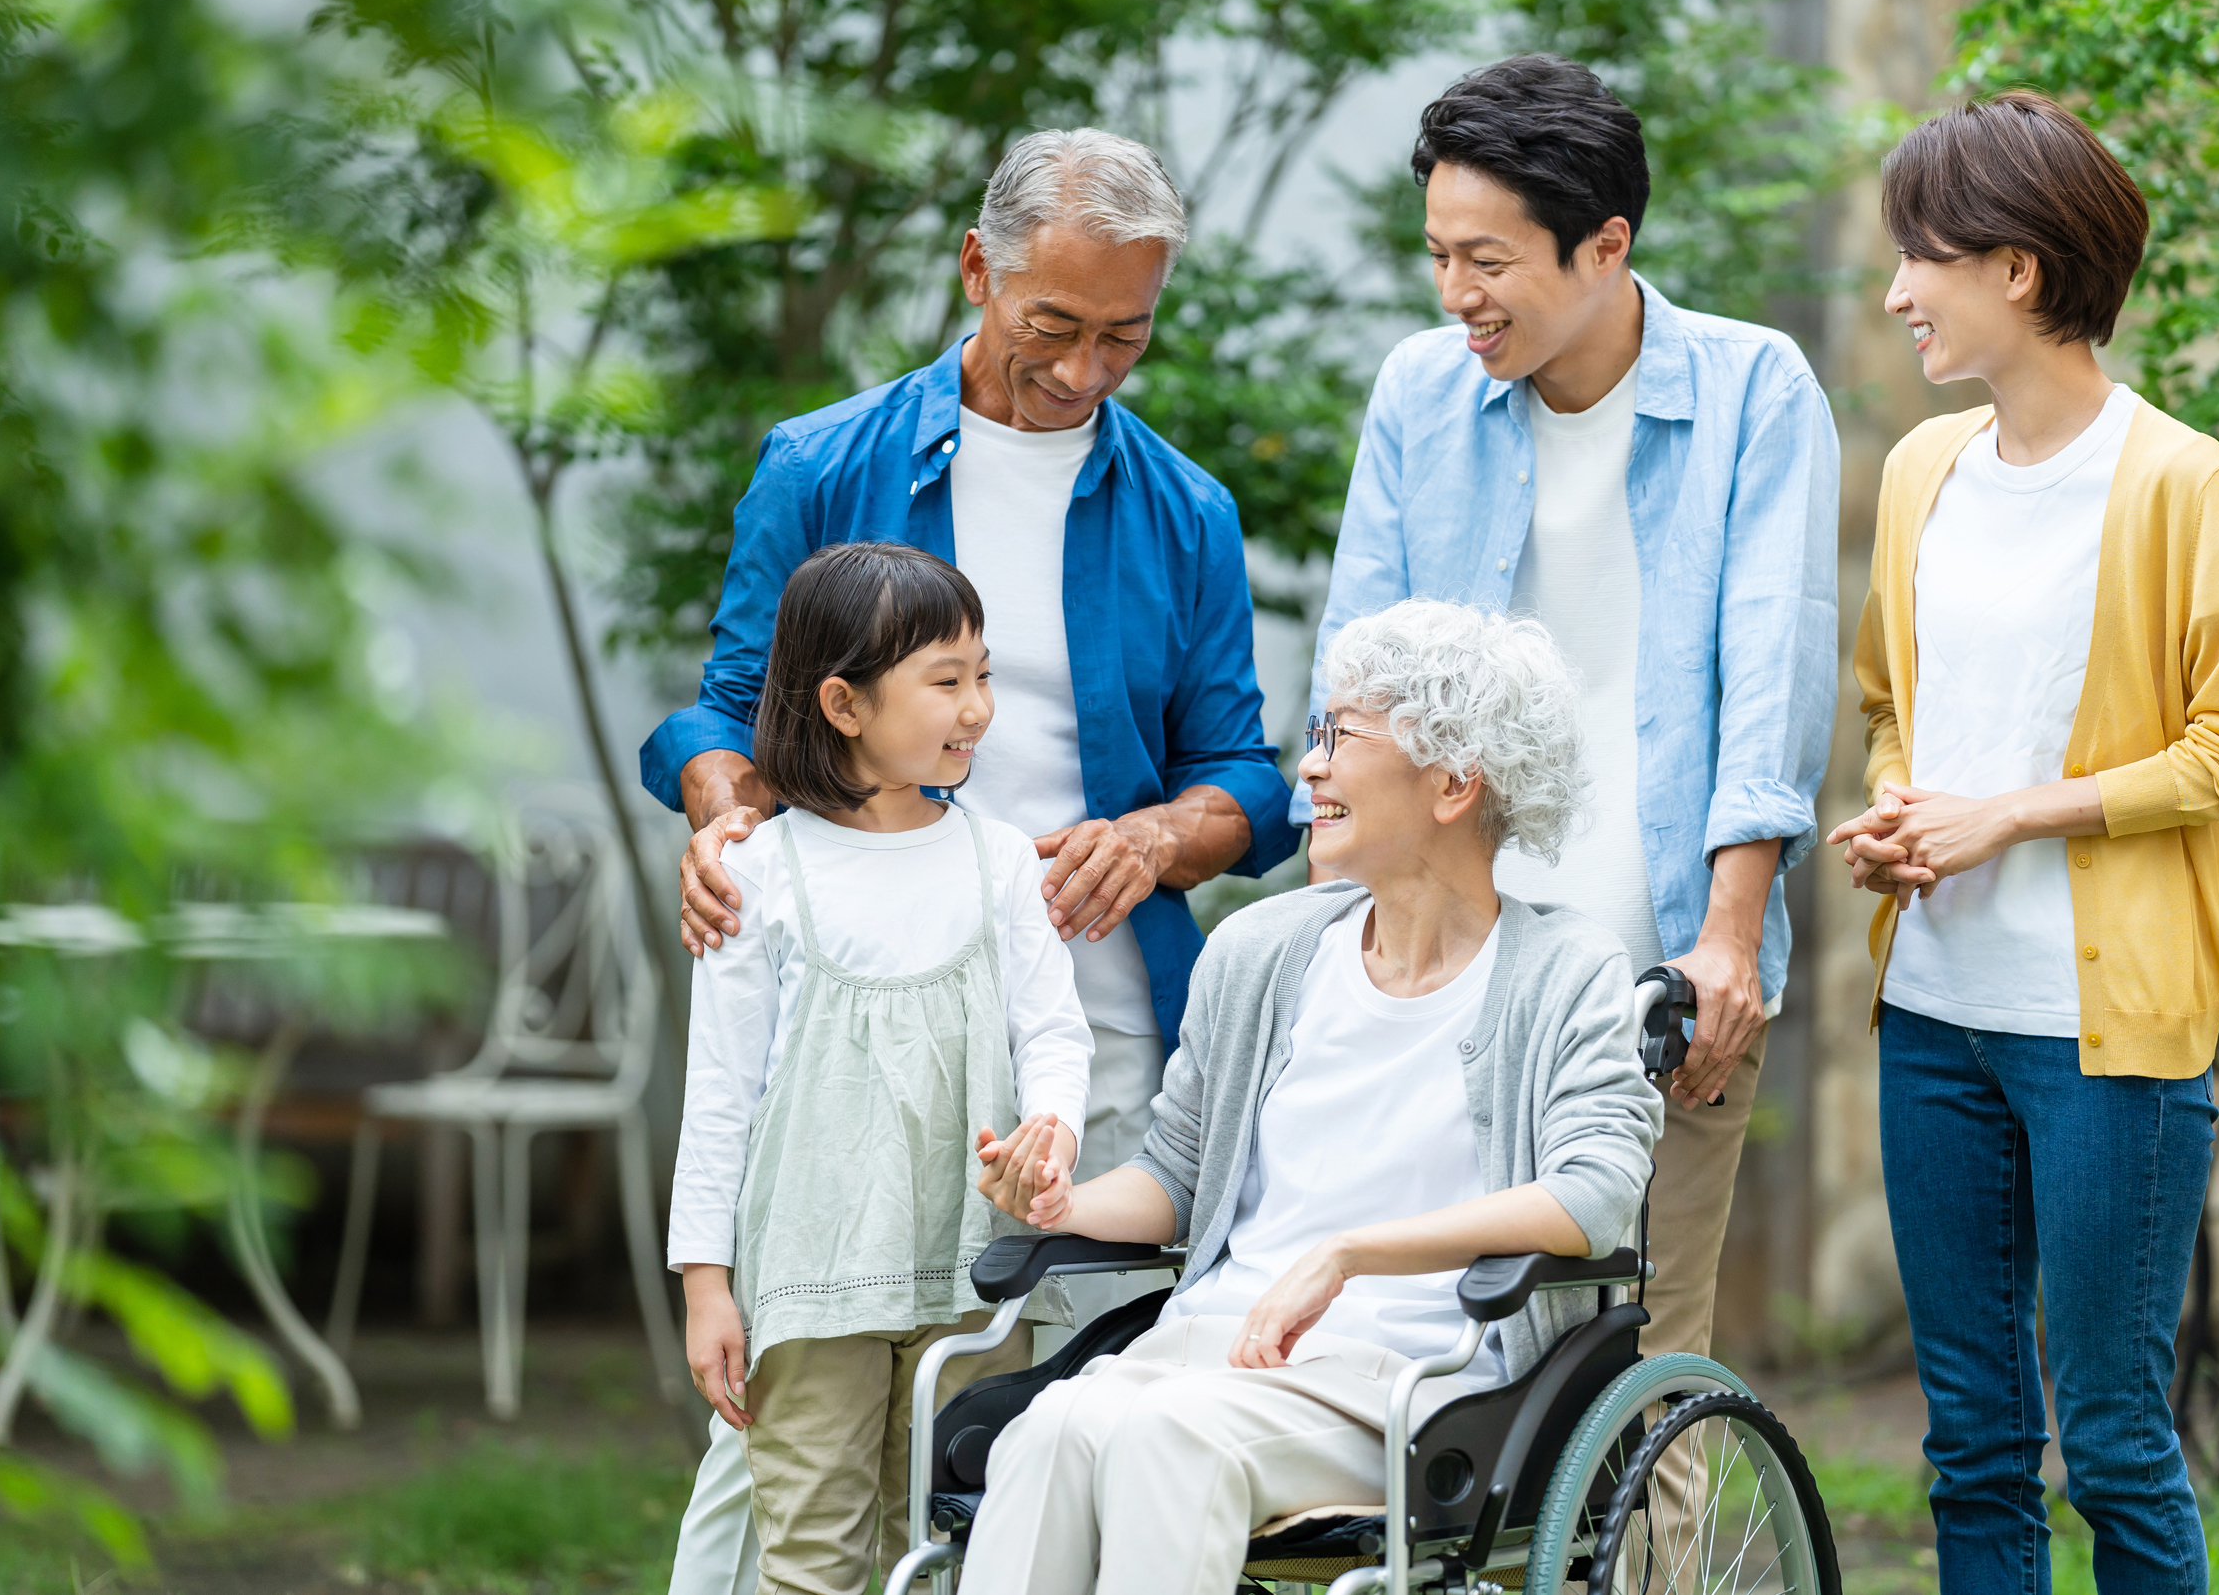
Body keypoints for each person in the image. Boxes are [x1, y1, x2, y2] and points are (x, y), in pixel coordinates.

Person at [642, 130, 1298, 1592]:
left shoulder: (1183, 508)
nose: (1083, 370)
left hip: (1087, 1021)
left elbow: (1250, 775)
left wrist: (1156, 835)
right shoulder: (825, 461)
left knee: (1051, 1407)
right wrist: (722, 810)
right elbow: (726, 702)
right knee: (783, 1439)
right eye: (1050, 326)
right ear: (977, 270)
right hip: (849, 1012)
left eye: (1125, 334)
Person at [1829, 91, 2219, 1595]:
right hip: (1935, 1022)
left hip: (2107, 1041)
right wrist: (1908, 812)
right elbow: (1892, 700)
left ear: (2019, 270)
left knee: (2108, 1436)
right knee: (1971, 1443)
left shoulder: (2177, 479)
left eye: (1923, 257)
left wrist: (2013, 814)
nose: (1898, 291)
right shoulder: (1921, 471)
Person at [1301, 54, 1836, 1378]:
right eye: (1438, 256)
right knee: (1419, 1351)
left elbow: (1773, 674)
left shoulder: (1753, 391)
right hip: (1440, 964)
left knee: (1638, 1361)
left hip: (1653, 970)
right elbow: (1353, 674)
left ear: (1606, 244)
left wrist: (1727, 940)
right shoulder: (1420, 396)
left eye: (1488, 260)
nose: (1455, 295)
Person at [956, 600, 1663, 1595]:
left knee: (1165, 1438)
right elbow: (1176, 1173)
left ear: (1455, 781)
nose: (1311, 766)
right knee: (1055, 1423)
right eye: (1317, 733)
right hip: (1203, 1351)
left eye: (1343, 736)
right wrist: (1062, 1203)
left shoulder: (1565, 971)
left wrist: (1349, 1253)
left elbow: (1593, 1195)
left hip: (1402, 1383)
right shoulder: (1262, 950)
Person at [668, 542, 1095, 1595]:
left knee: (958, 1547)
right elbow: (719, 1097)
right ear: (843, 703)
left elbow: (1054, 1032)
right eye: (945, 680)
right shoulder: (758, 873)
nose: (977, 707)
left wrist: (1054, 1132)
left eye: (983, 674)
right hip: (809, 1286)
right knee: (811, 1558)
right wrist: (706, 1286)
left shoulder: (998, 859)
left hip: (971, 1275)